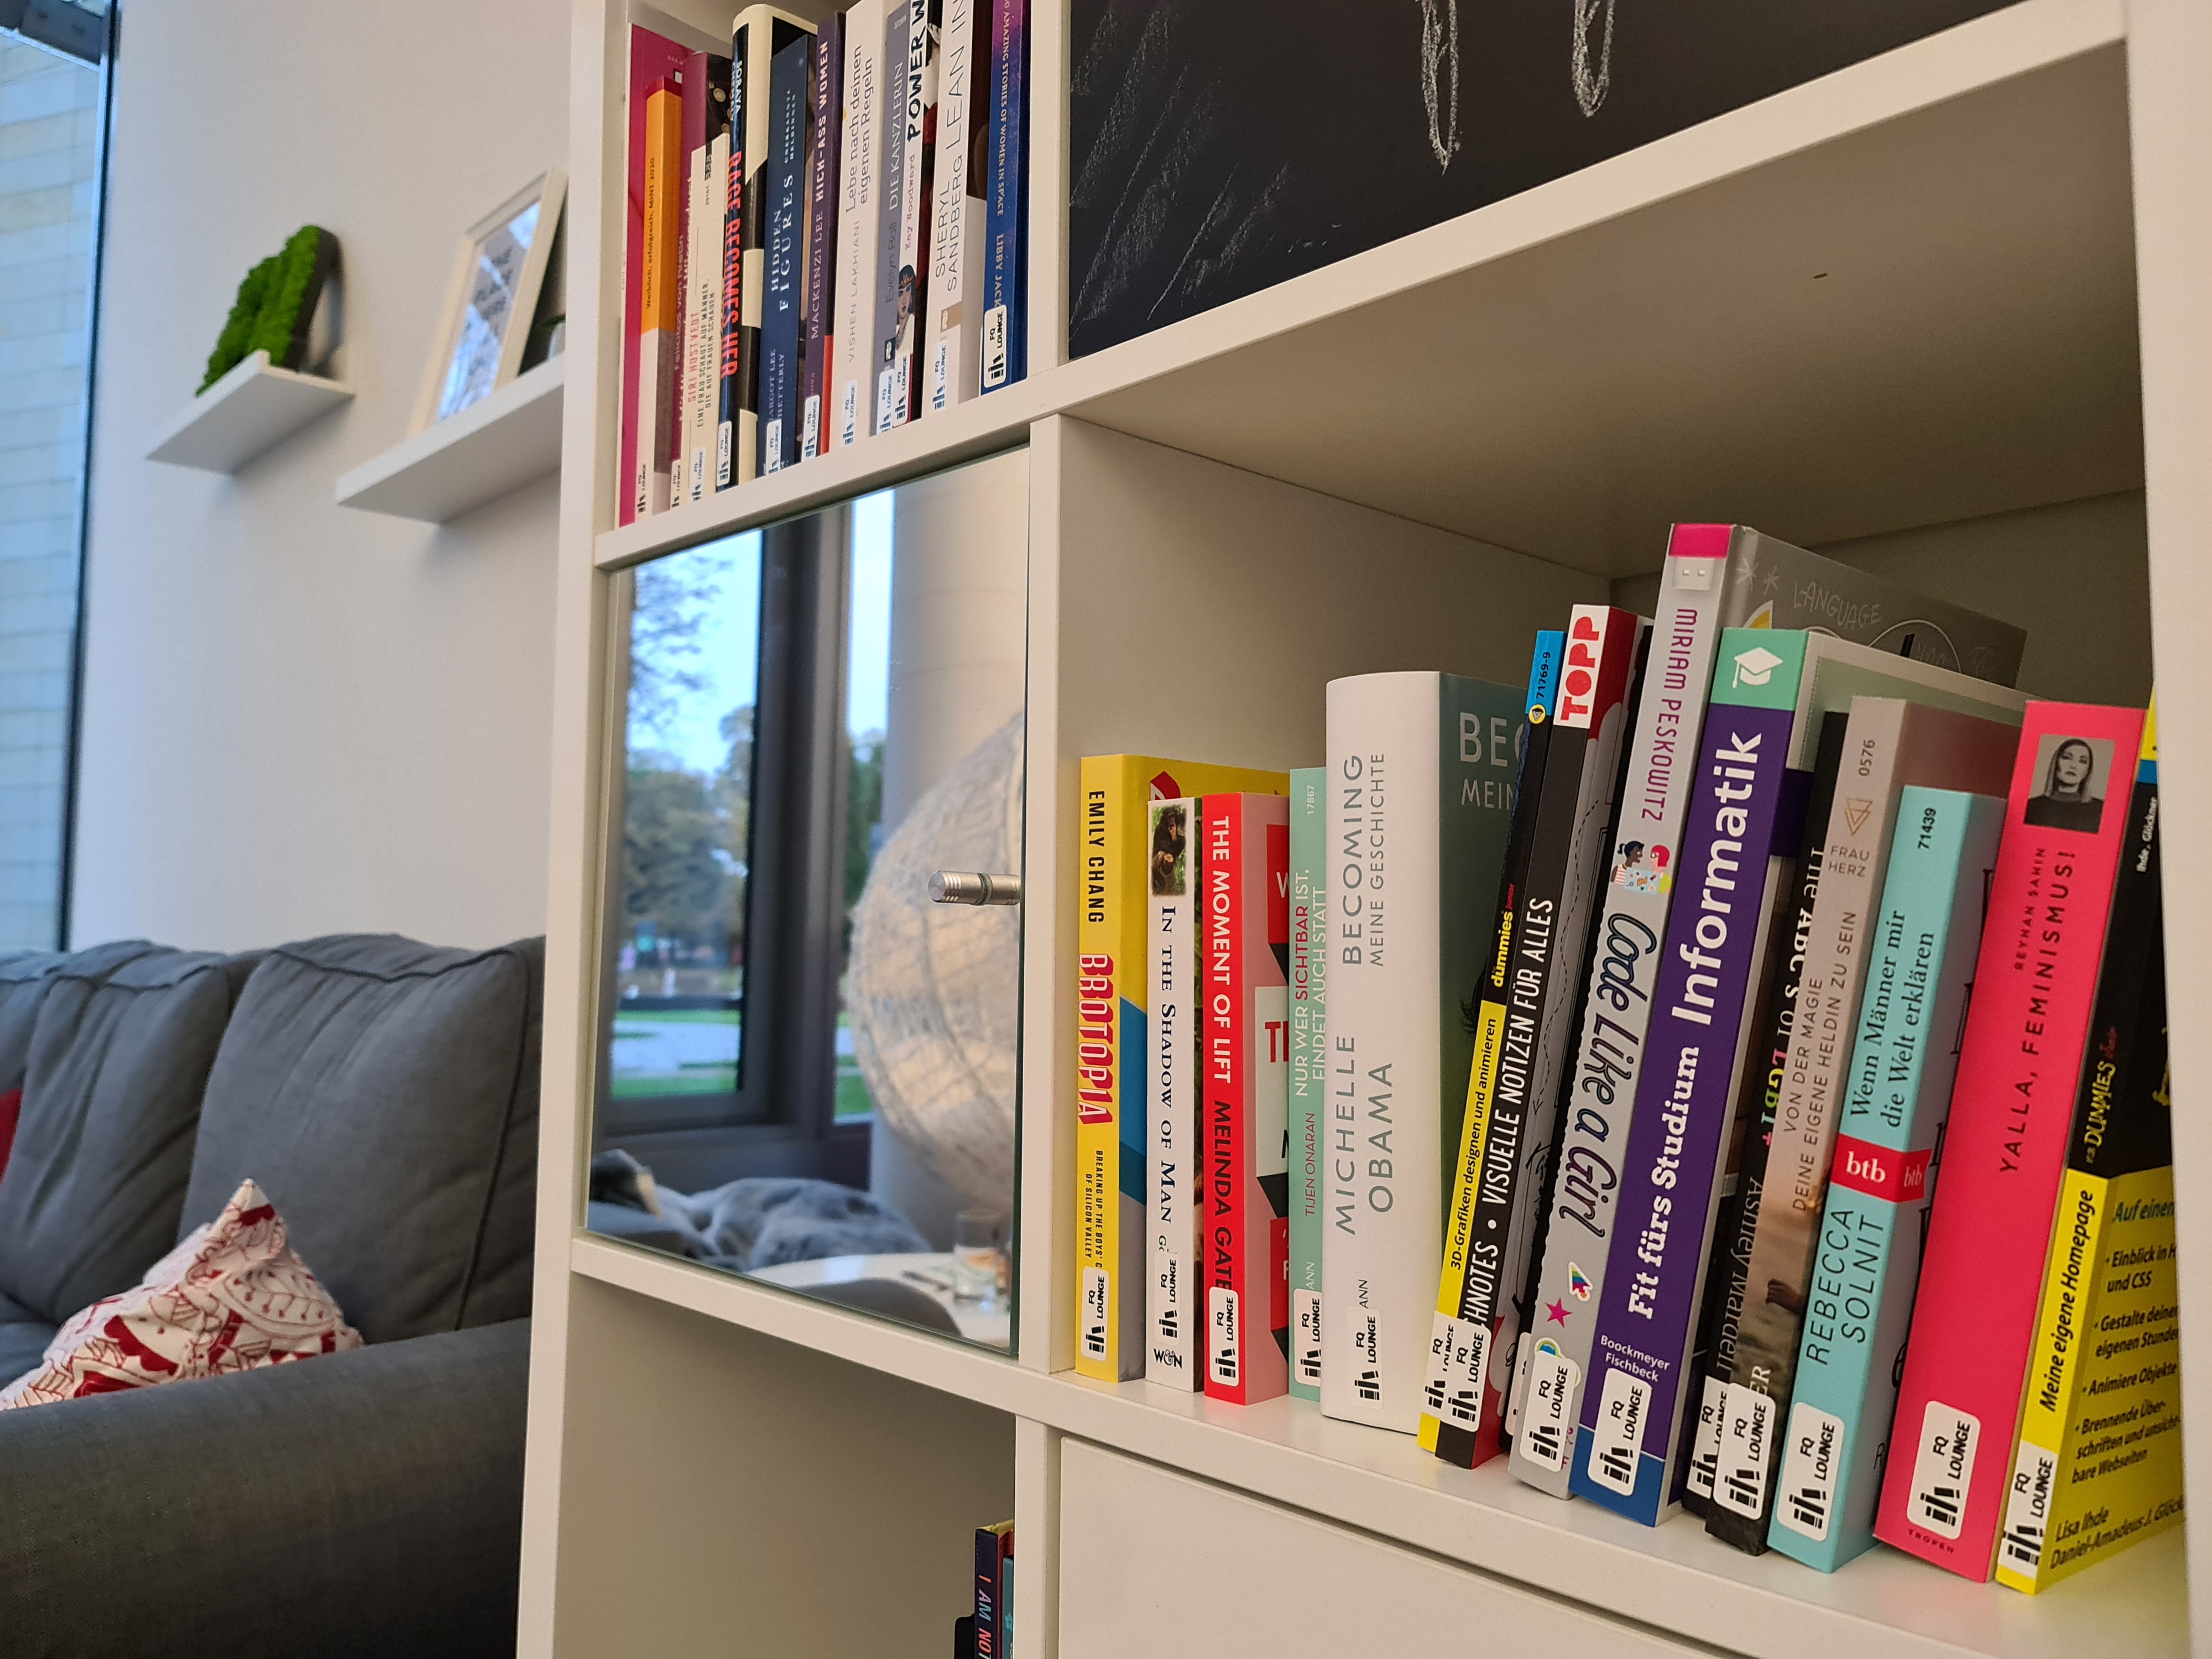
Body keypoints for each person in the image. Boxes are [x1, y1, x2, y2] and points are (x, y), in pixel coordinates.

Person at [2024, 735, 2105, 832]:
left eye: (2082, 761)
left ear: (2088, 770)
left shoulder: (2101, 810)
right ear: (2056, 763)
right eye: (2067, 758)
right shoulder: (2031, 807)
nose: (2073, 766)